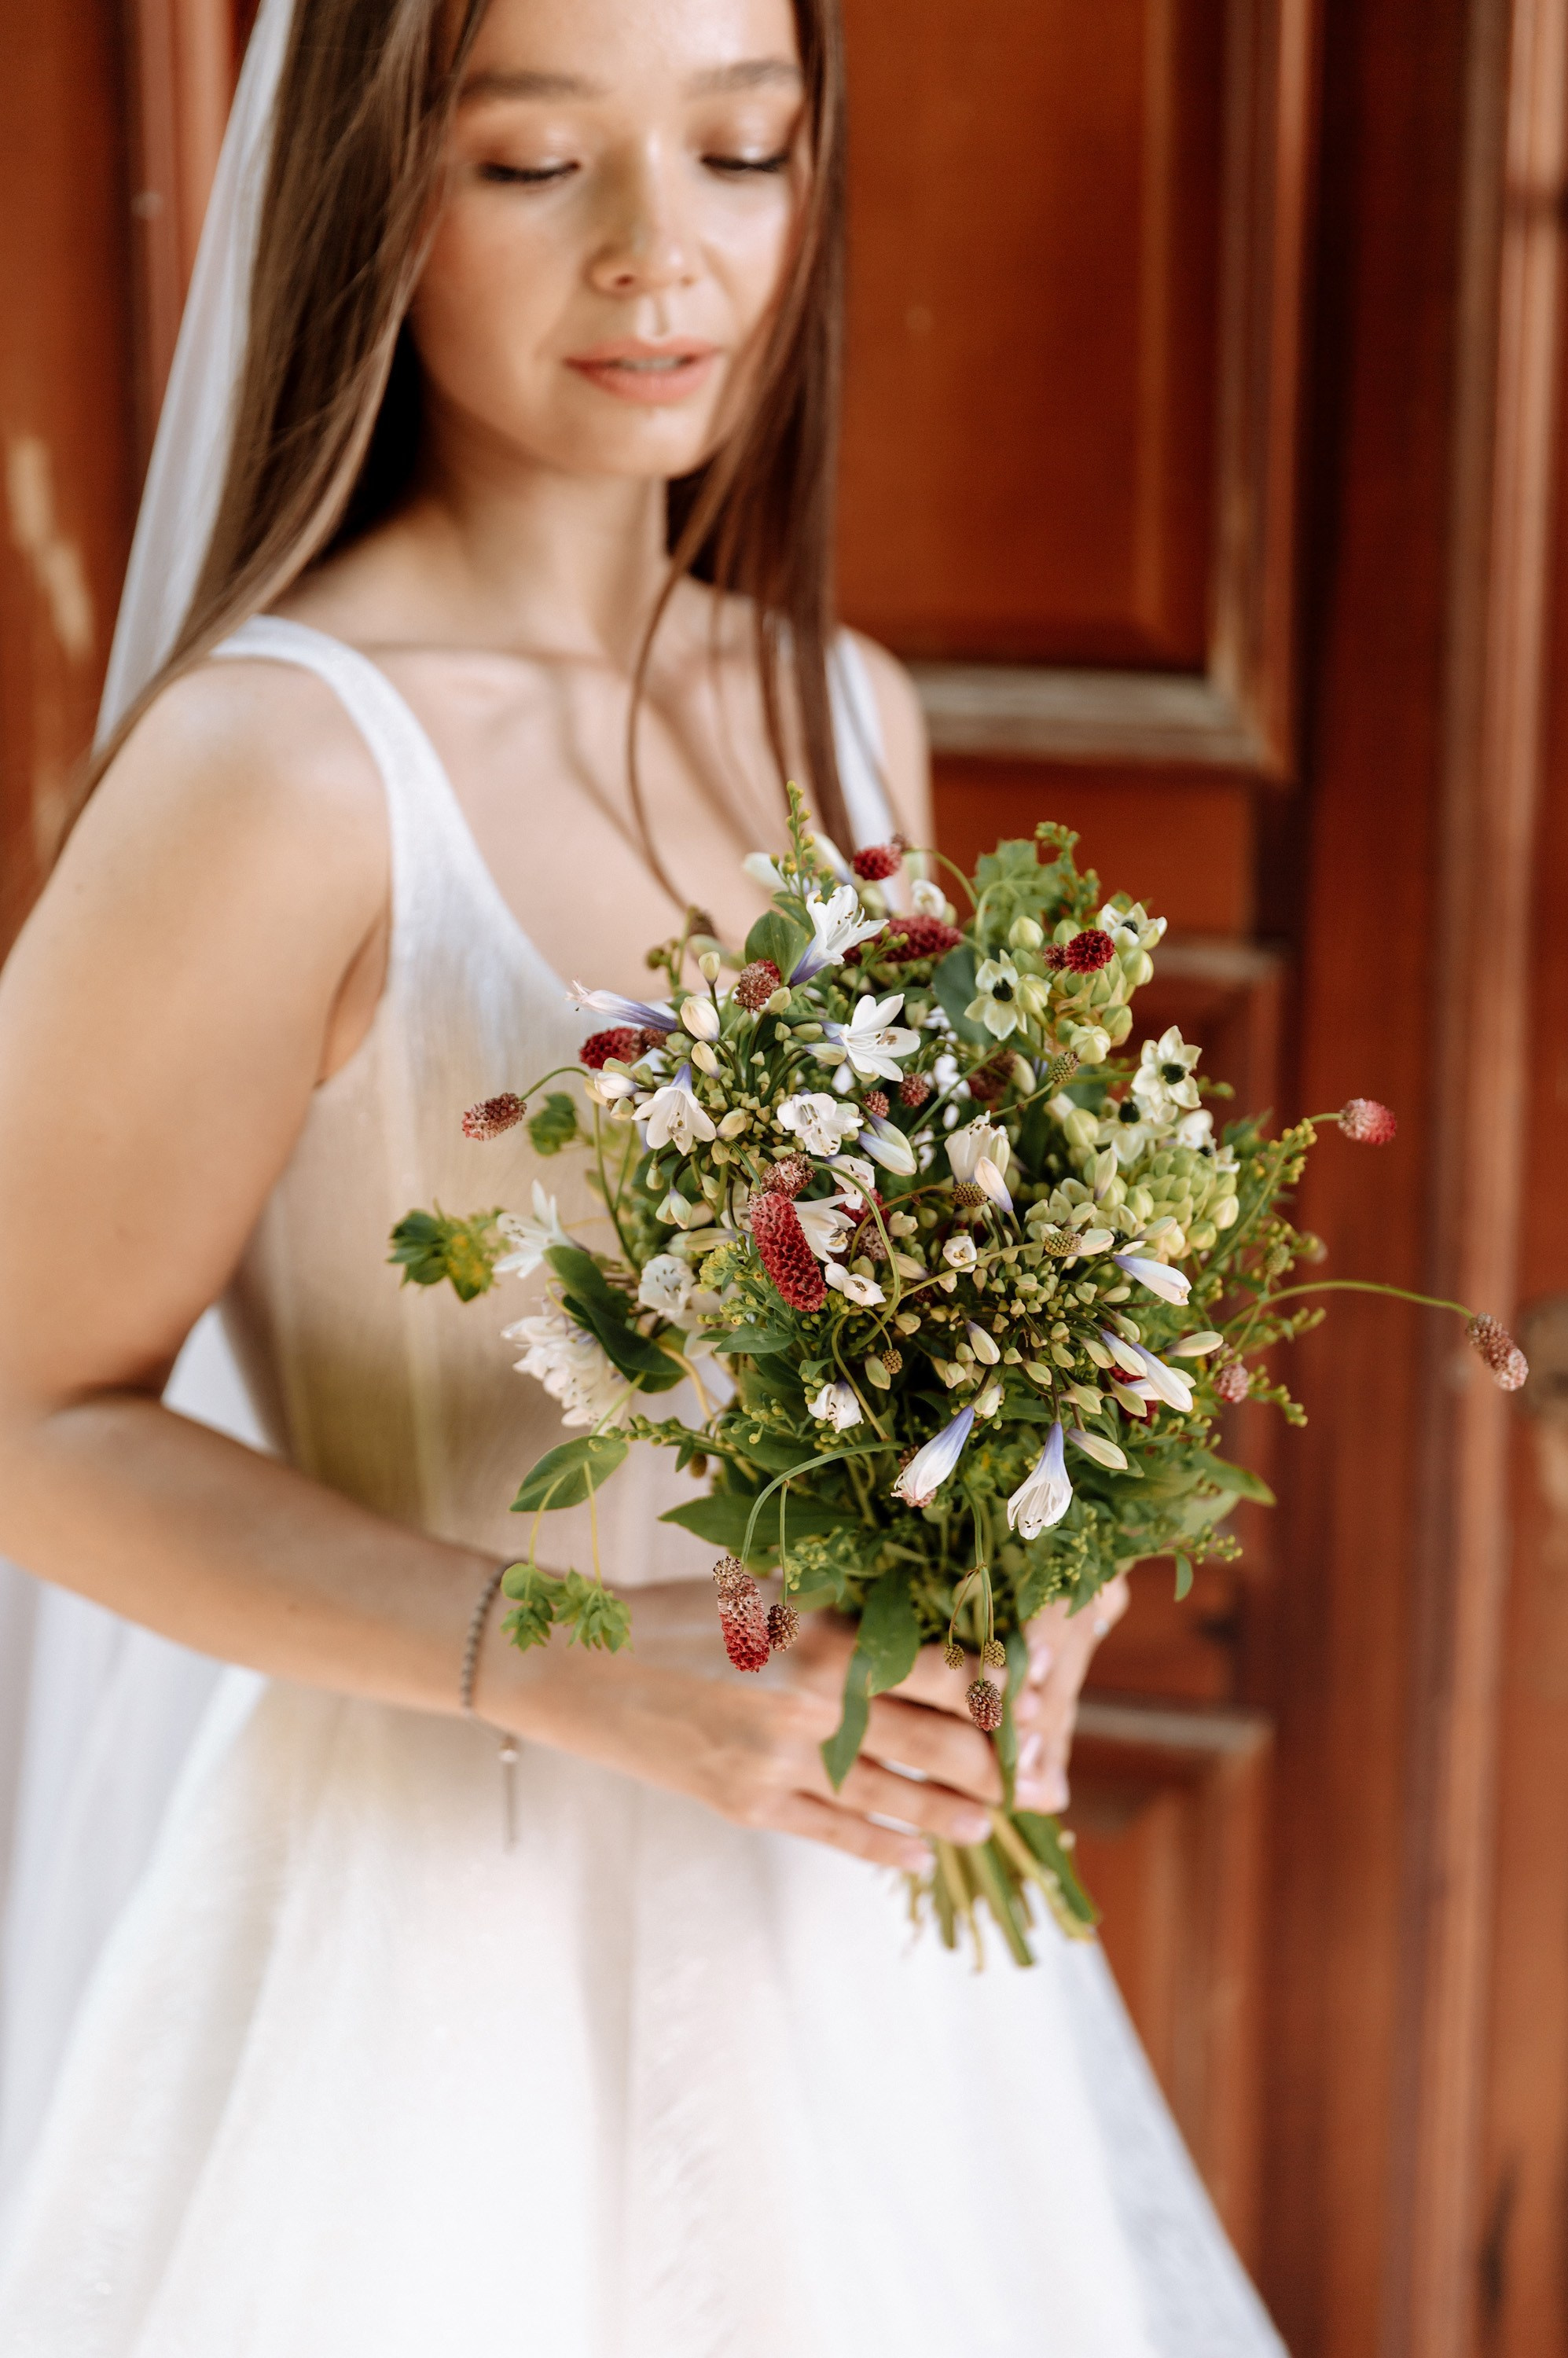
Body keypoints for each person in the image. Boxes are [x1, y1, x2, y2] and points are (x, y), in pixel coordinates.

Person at [0, 0, 1285, 2350]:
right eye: (531, 166)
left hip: (859, 1965)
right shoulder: (284, 772)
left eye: (743, 148)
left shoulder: (840, 704)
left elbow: (925, 1335)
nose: (659, 259)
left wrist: (1032, 1579)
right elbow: (18, 1421)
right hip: (432, 1981)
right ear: (372, 196)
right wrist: (580, 1671)